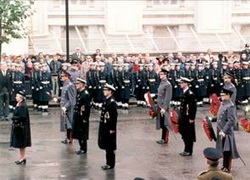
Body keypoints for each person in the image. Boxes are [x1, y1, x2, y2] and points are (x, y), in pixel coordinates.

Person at [216, 88, 240, 173]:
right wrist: (213, 119)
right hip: (220, 130)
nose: (221, 96)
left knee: (227, 150)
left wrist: (224, 131)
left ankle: (226, 167)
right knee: (222, 149)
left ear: (228, 96)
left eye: (223, 95)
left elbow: (231, 120)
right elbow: (220, 117)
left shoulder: (230, 106)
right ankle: (224, 166)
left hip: (227, 132)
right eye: (221, 95)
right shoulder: (222, 104)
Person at [98, 84, 118, 170]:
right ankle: (108, 162)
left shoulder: (112, 102)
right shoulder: (107, 100)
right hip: (105, 126)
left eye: (106, 90)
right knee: (107, 146)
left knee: (110, 147)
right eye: (104, 90)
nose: (104, 91)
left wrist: (112, 129)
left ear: (110, 91)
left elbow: (114, 117)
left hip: (109, 128)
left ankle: (110, 164)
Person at [55, 70, 76, 144]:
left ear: (67, 77)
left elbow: (71, 99)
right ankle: (67, 138)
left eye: (63, 76)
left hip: (68, 108)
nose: (61, 78)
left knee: (69, 124)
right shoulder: (65, 84)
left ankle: (71, 138)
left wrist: (65, 107)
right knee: (65, 124)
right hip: (64, 107)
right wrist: (58, 99)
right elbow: (64, 97)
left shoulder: (70, 86)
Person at [10, 91, 31, 165]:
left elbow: (22, 117)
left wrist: (13, 118)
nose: (15, 97)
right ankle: (22, 157)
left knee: (22, 144)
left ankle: (22, 157)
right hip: (19, 127)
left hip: (21, 127)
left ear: (21, 98)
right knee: (21, 144)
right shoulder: (19, 104)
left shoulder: (22, 106)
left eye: (17, 96)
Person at [179, 77, 197, 156]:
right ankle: (186, 149)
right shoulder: (185, 92)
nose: (180, 84)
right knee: (184, 133)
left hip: (188, 117)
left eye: (182, 83)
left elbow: (193, 107)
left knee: (189, 134)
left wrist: (191, 118)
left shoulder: (190, 94)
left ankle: (188, 150)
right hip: (183, 116)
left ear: (186, 84)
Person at [72, 78, 91, 154]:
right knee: (79, 132)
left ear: (82, 85)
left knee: (82, 133)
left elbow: (86, 108)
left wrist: (85, 119)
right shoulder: (80, 92)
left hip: (82, 117)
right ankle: (81, 147)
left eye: (78, 84)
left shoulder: (85, 94)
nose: (76, 85)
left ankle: (84, 148)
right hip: (78, 115)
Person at [156, 68, 172, 144]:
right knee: (162, 123)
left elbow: (168, 97)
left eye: (161, 74)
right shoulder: (162, 83)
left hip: (164, 107)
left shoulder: (168, 84)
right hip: (160, 105)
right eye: (160, 74)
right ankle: (162, 138)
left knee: (165, 123)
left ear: (165, 75)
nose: (160, 75)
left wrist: (164, 108)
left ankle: (165, 139)